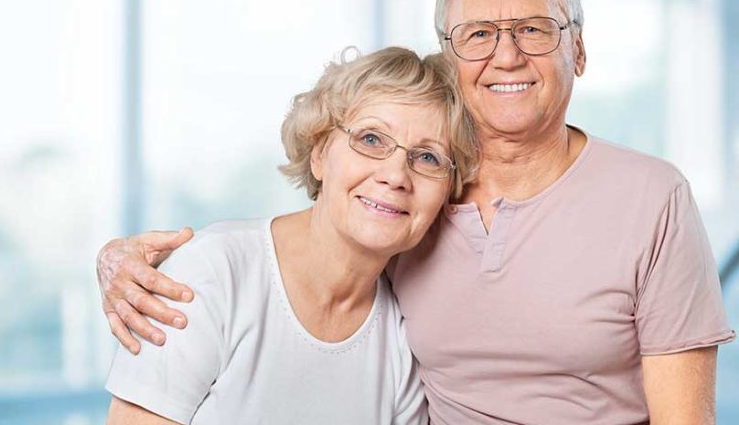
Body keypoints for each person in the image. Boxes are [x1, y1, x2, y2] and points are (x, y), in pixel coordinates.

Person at [98, 0, 735, 424]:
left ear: (579, 50)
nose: (506, 55)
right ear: (450, 59)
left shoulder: (653, 198)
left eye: (534, 30)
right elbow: (302, 246)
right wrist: (125, 260)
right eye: (478, 35)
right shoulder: (415, 202)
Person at [103, 47, 478, 424]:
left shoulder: (402, 340)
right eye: (371, 140)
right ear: (319, 154)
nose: (396, 176)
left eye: (428, 157)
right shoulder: (212, 272)